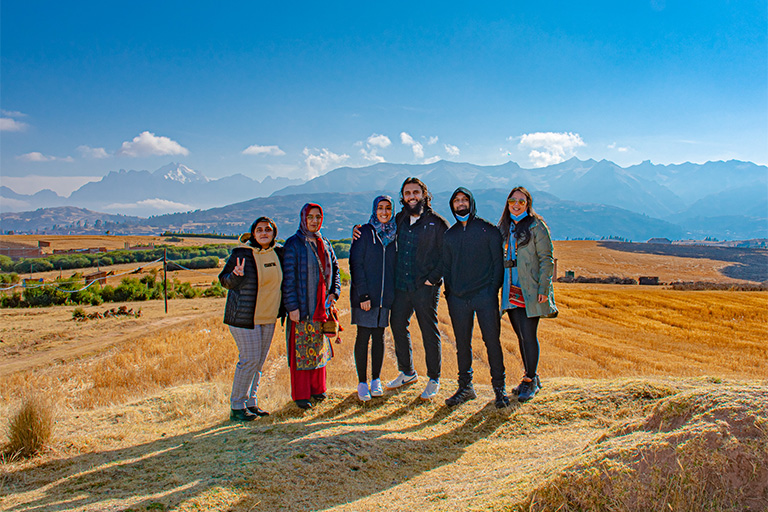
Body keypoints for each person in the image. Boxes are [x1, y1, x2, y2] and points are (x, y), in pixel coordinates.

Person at [441, 188, 510, 408]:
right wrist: (450, 294)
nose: (460, 204)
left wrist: (491, 291)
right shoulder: (449, 235)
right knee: (462, 344)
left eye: (464, 200)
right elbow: (447, 267)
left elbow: (497, 265)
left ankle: (499, 389)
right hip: (458, 299)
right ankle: (465, 388)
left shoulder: (488, 231)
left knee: (492, 342)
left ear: (472, 203)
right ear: (452, 205)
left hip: (485, 297)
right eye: (456, 201)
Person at [387, 178, 449, 400]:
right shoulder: (400, 219)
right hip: (402, 286)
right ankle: (407, 372)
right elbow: (380, 233)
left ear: (424, 194)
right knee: (397, 324)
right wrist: (358, 230)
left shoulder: (437, 223)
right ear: (402, 196)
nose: (411, 196)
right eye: (407, 193)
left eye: (415, 192)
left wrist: (432, 280)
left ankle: (434, 379)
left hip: (425, 288)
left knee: (428, 331)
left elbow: (446, 255)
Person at [219, 217, 284, 421]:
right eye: (259, 230)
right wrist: (236, 276)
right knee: (249, 359)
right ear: (253, 233)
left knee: (259, 361)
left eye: (268, 229)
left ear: (274, 233)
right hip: (244, 317)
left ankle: (251, 402)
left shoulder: (279, 253)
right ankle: (237, 405)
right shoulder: (242, 254)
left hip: (269, 316)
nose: (264, 233)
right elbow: (224, 280)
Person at [498, 186, 558, 403]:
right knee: (520, 335)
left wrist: (544, 288)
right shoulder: (505, 227)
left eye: (521, 201)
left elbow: (546, 259)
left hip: (530, 289)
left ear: (528, 204)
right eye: (512, 200)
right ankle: (531, 376)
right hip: (510, 289)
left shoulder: (536, 226)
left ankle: (529, 379)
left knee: (528, 333)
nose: (516, 204)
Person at [282, 203, 342, 410]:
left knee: (318, 350)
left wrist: (334, 293)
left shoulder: (325, 242)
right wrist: (292, 307)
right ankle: (302, 395)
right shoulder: (293, 244)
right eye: (310, 217)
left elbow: (335, 270)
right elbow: (288, 279)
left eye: (318, 217)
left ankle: (318, 389)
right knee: (301, 352)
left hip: (322, 308)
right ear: (303, 219)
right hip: (303, 307)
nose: (314, 221)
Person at [349, 195, 397, 401]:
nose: (384, 212)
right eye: (380, 208)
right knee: (363, 336)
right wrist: (363, 295)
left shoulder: (396, 234)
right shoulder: (365, 232)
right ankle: (362, 382)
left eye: (388, 208)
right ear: (374, 210)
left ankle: (376, 379)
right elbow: (355, 264)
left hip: (385, 296)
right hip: (365, 297)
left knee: (379, 337)